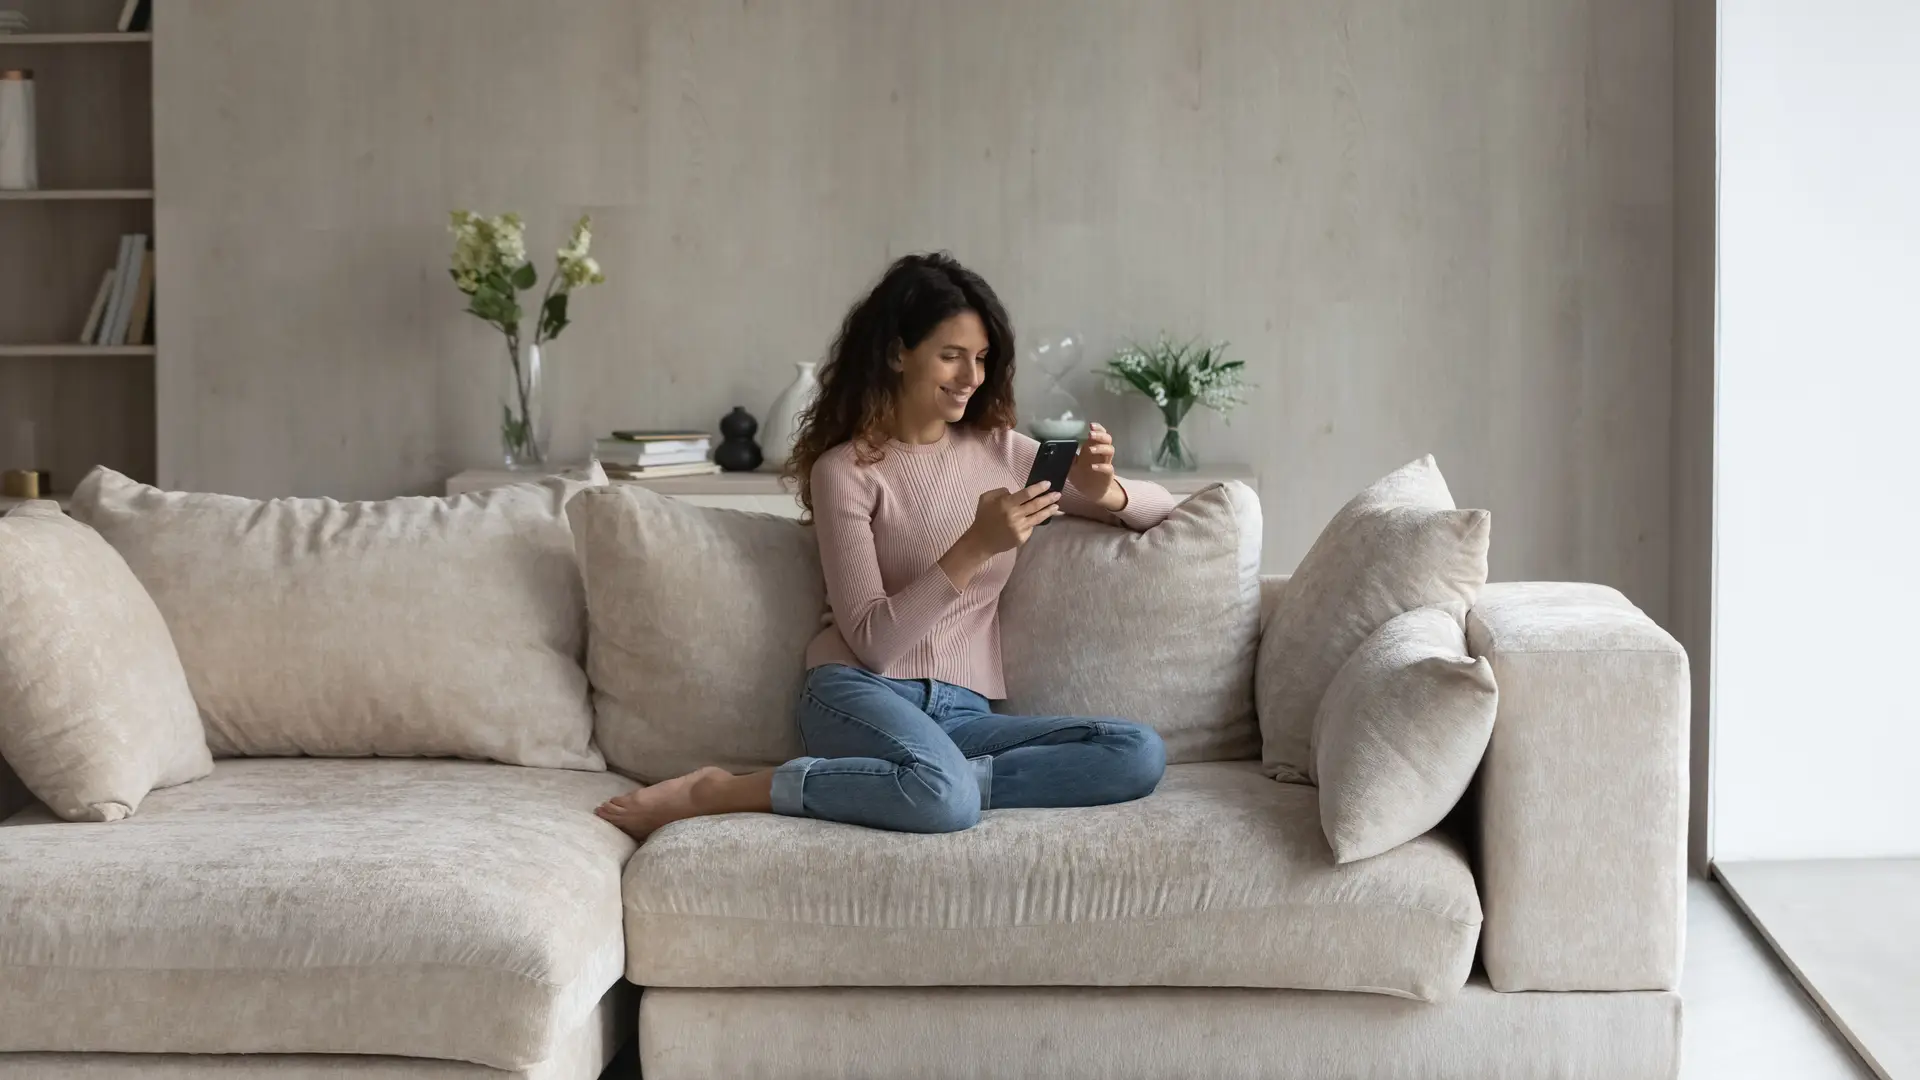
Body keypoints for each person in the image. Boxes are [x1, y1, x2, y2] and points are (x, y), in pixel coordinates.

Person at [595, 252, 1175, 839]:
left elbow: (1169, 512)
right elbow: (873, 642)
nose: (971, 376)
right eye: (950, 355)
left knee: (1137, 751)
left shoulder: (1005, 452)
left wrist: (1108, 492)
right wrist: (976, 545)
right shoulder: (845, 471)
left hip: (963, 713)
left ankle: (927, 779)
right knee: (944, 801)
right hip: (859, 691)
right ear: (898, 353)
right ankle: (725, 789)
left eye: (980, 358)